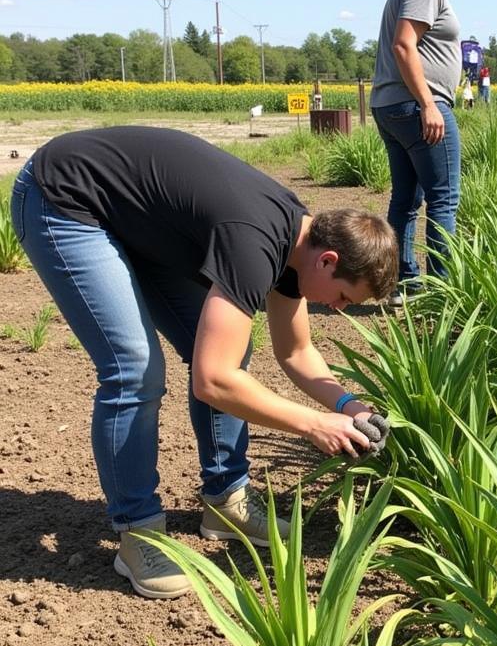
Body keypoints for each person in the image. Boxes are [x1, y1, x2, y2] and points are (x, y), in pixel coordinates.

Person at [10, 126, 397, 599]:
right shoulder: (254, 243)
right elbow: (213, 381)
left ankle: (226, 498)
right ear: (328, 260)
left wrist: (349, 407)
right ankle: (139, 533)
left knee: (228, 348)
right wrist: (314, 424)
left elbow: (296, 352)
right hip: (64, 197)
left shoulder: (300, 244)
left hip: (131, 216)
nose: (336, 309)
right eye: (341, 297)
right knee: (134, 369)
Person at [371, 0, 481, 302]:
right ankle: (443, 292)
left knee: (405, 199)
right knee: (444, 198)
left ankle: (404, 284)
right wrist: (429, 104)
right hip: (416, 105)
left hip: (392, 105)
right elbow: (405, 46)